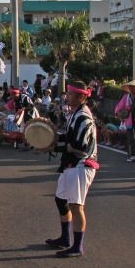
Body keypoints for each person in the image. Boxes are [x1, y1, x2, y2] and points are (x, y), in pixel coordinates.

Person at [44, 81, 99, 258]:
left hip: (81, 165)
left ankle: (77, 246)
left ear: (82, 96)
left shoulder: (84, 117)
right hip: (71, 164)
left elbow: (78, 147)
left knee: (76, 206)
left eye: (71, 94)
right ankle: (65, 238)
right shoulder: (75, 114)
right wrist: (52, 136)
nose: (67, 96)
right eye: (68, 93)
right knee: (61, 200)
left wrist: (52, 148)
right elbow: (69, 136)